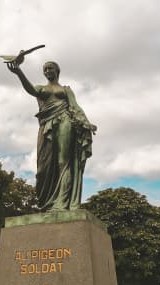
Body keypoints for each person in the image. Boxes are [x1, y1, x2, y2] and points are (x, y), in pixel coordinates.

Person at [7, 60, 96, 211]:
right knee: (43, 168)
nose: (47, 71)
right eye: (45, 69)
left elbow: (75, 106)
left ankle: (62, 202)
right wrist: (19, 73)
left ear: (57, 71)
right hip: (47, 124)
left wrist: (85, 122)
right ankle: (48, 202)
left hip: (65, 120)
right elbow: (30, 90)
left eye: (50, 68)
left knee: (63, 161)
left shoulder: (66, 90)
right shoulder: (41, 88)